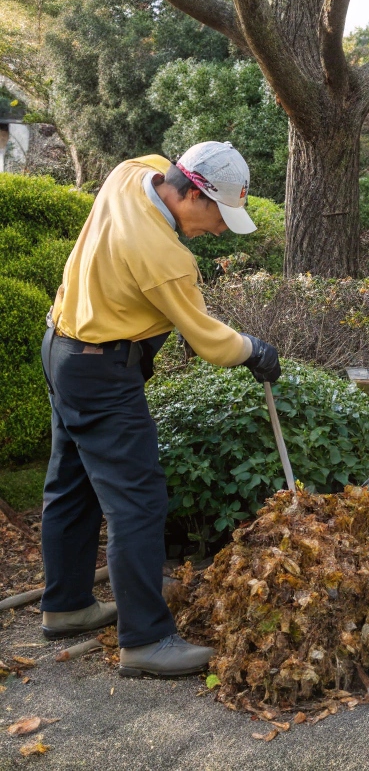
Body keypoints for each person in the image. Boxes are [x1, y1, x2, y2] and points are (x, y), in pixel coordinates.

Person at [39, 141, 281, 679]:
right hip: (102, 371)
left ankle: (67, 605)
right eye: (220, 215)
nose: (221, 230)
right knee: (138, 501)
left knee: (72, 483)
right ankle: (146, 639)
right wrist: (254, 350)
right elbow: (210, 342)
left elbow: (156, 162)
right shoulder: (166, 257)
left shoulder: (133, 173)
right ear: (193, 193)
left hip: (62, 347)